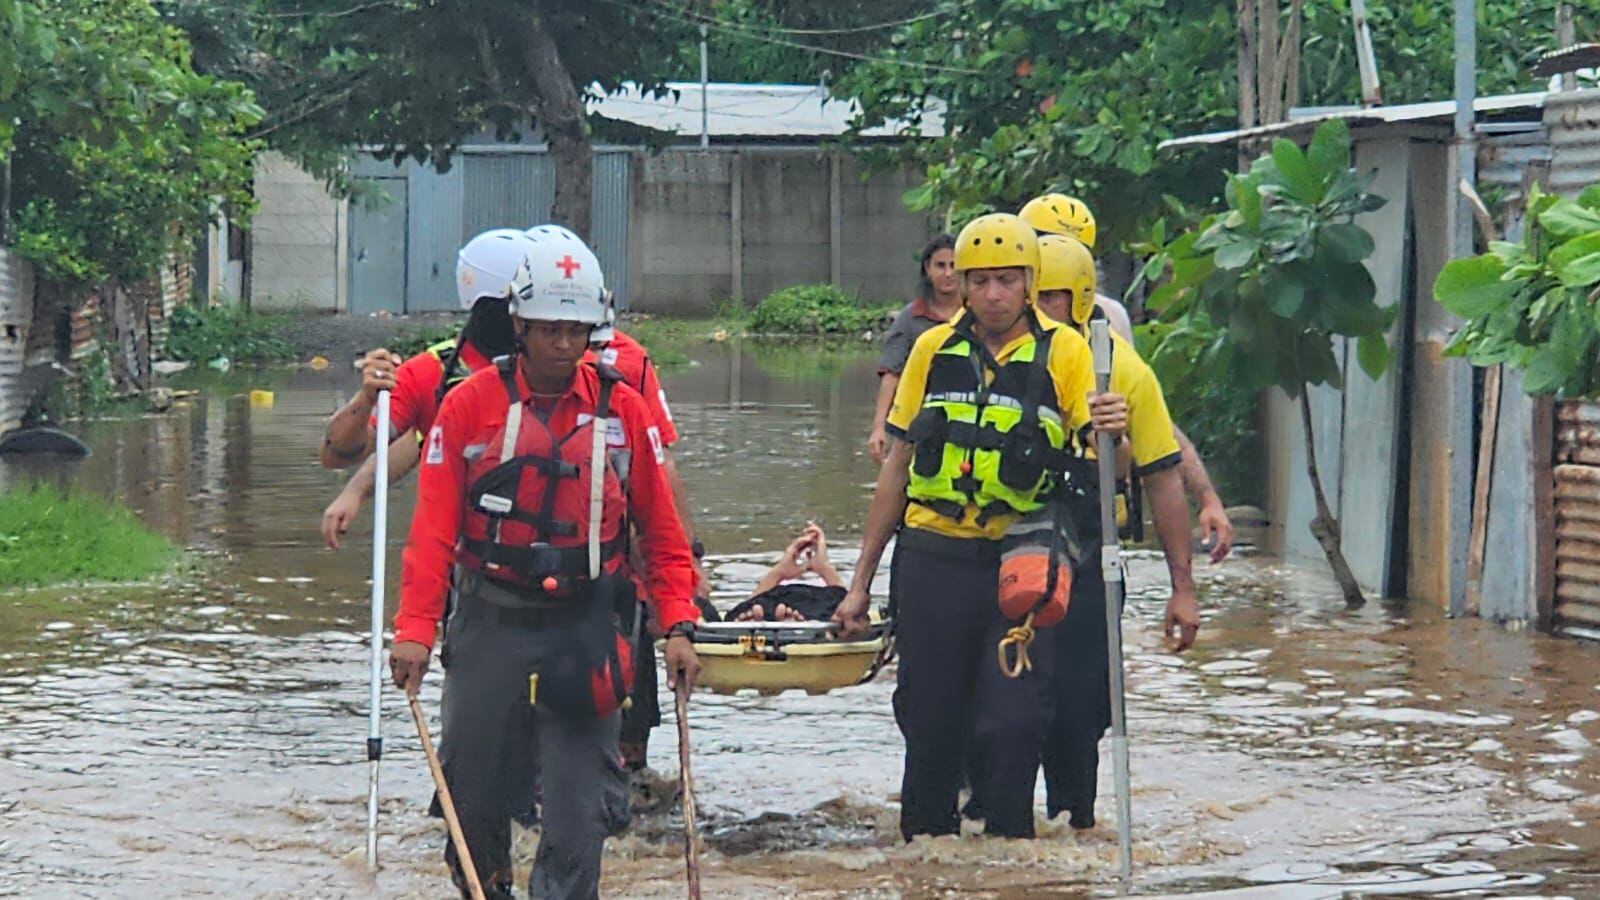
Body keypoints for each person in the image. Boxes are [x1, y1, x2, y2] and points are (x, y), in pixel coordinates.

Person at [389, 233, 701, 899]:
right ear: (520, 325)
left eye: (577, 331)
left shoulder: (623, 409)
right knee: (469, 789)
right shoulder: (469, 405)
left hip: (584, 625)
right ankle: (487, 884)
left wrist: (678, 624)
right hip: (490, 618)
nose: (564, 345)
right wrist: (414, 629)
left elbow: (663, 533)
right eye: (550, 330)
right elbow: (433, 531)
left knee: (579, 808)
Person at [833, 212, 1129, 841]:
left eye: (1008, 280)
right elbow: (898, 469)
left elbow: (1112, 467)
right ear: (960, 286)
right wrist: (860, 581)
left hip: (1018, 562)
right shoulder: (930, 350)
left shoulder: (1068, 353)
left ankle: (1008, 856)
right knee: (931, 719)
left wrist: (1112, 429)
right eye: (981, 281)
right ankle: (927, 853)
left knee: (1014, 721)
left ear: (1028, 283)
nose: (994, 295)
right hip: (933, 556)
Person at [1029, 232, 1196, 828]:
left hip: (1087, 555)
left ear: (1077, 300)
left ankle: (1073, 826)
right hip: (997, 554)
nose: (1034, 309)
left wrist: (1183, 587)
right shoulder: (981, 359)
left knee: (1079, 708)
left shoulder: (1122, 369)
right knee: (1003, 708)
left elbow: (1163, 476)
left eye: (1049, 297)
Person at [1019, 192, 1234, 560]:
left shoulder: (1107, 323)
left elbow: (1149, 418)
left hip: (1082, 500)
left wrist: (1206, 497)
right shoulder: (984, 317)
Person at [319, 229, 532, 549]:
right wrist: (365, 400)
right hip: (468, 555)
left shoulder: (563, 369)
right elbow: (338, 453)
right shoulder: (433, 373)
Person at [867, 234, 960, 463]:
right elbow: (891, 374)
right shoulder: (910, 319)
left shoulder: (979, 315)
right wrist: (879, 428)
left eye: (954, 266)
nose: (948, 273)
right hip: (918, 421)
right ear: (927, 269)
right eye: (940, 265)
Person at [720, 522, 845, 623]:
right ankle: (800, 630)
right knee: (847, 615)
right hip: (827, 613)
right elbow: (853, 613)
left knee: (753, 607)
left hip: (761, 606)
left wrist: (777, 573)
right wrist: (826, 570)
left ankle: (753, 627)